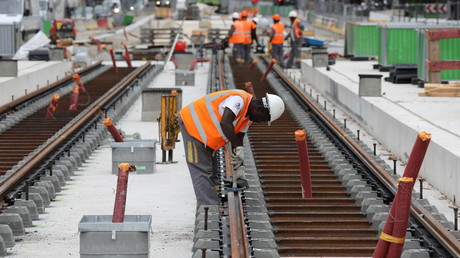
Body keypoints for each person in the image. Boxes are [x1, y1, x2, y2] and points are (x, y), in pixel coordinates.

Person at [179, 89, 285, 206]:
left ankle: (216, 199)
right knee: (201, 170)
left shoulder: (247, 119)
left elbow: (238, 139)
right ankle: (208, 206)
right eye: (263, 119)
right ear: (258, 108)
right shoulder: (238, 99)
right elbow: (225, 123)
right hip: (192, 125)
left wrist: (239, 164)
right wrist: (238, 148)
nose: (261, 122)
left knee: (213, 169)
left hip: (207, 134)